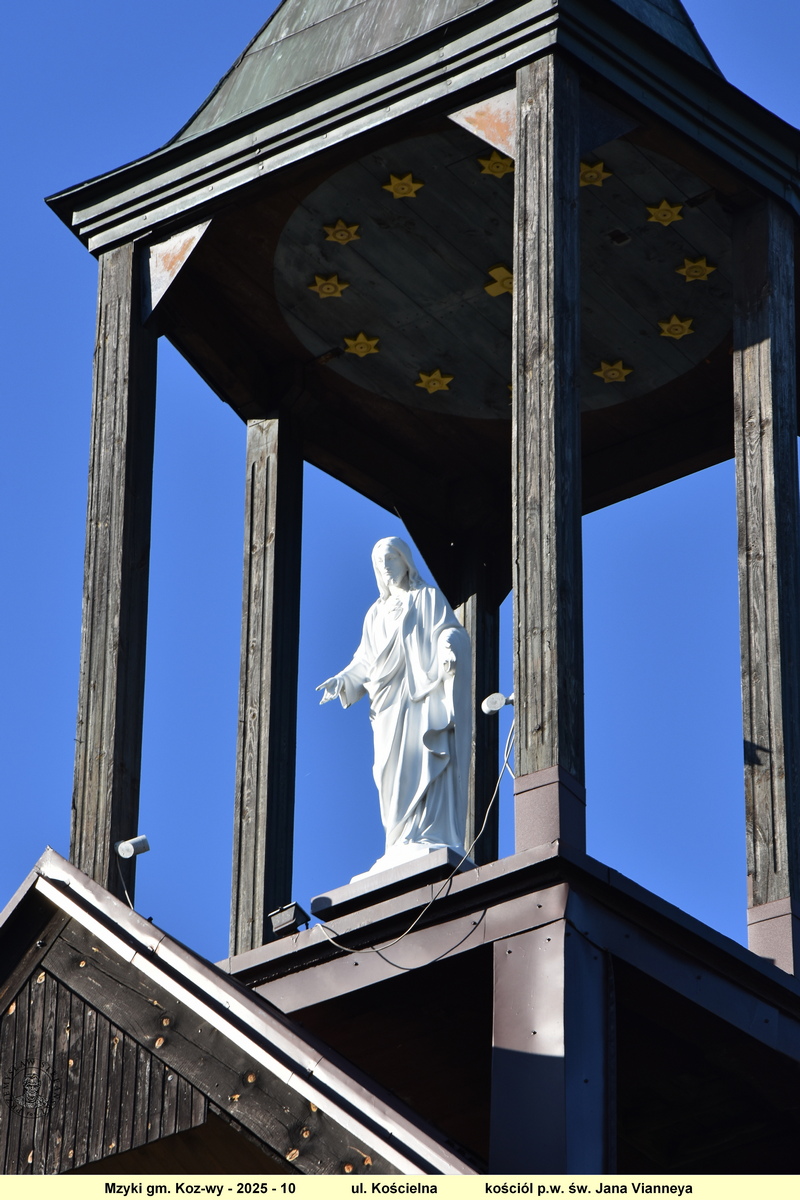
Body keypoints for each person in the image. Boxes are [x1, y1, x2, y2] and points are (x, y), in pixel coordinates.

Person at [317, 537, 472, 878]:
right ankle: (399, 839)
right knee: (389, 771)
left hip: (423, 696)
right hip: (388, 703)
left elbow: (450, 632)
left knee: (425, 758)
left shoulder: (427, 598)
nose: (385, 567)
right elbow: (364, 660)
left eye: (390, 558)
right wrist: (342, 680)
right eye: (379, 563)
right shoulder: (375, 614)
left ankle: (427, 832)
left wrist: (449, 647)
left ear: (405, 561)